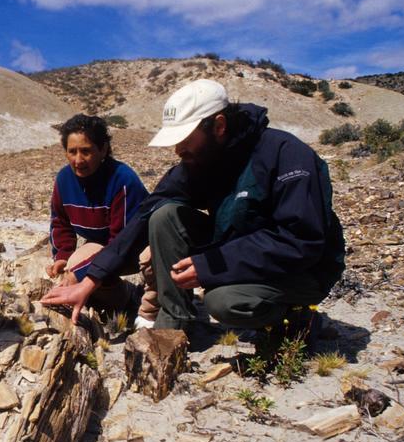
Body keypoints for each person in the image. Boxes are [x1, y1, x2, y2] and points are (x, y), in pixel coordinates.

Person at [41, 79, 345, 339]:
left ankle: (298, 320)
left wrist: (212, 264)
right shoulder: (199, 161)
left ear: (219, 125)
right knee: (164, 216)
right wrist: (90, 280)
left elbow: (302, 240)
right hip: (239, 248)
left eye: (185, 139)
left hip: (305, 268)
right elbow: (143, 217)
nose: (178, 150)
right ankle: (176, 322)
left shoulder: (286, 154)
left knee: (225, 302)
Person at [47, 114, 149, 314]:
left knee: (78, 271)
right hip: (104, 246)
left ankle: (148, 306)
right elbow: (60, 223)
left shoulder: (123, 180)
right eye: (72, 151)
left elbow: (122, 243)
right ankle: (123, 298)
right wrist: (62, 256)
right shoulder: (64, 179)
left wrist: (79, 273)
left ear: (103, 150)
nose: (78, 160)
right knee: (74, 266)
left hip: (136, 248)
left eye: (86, 151)